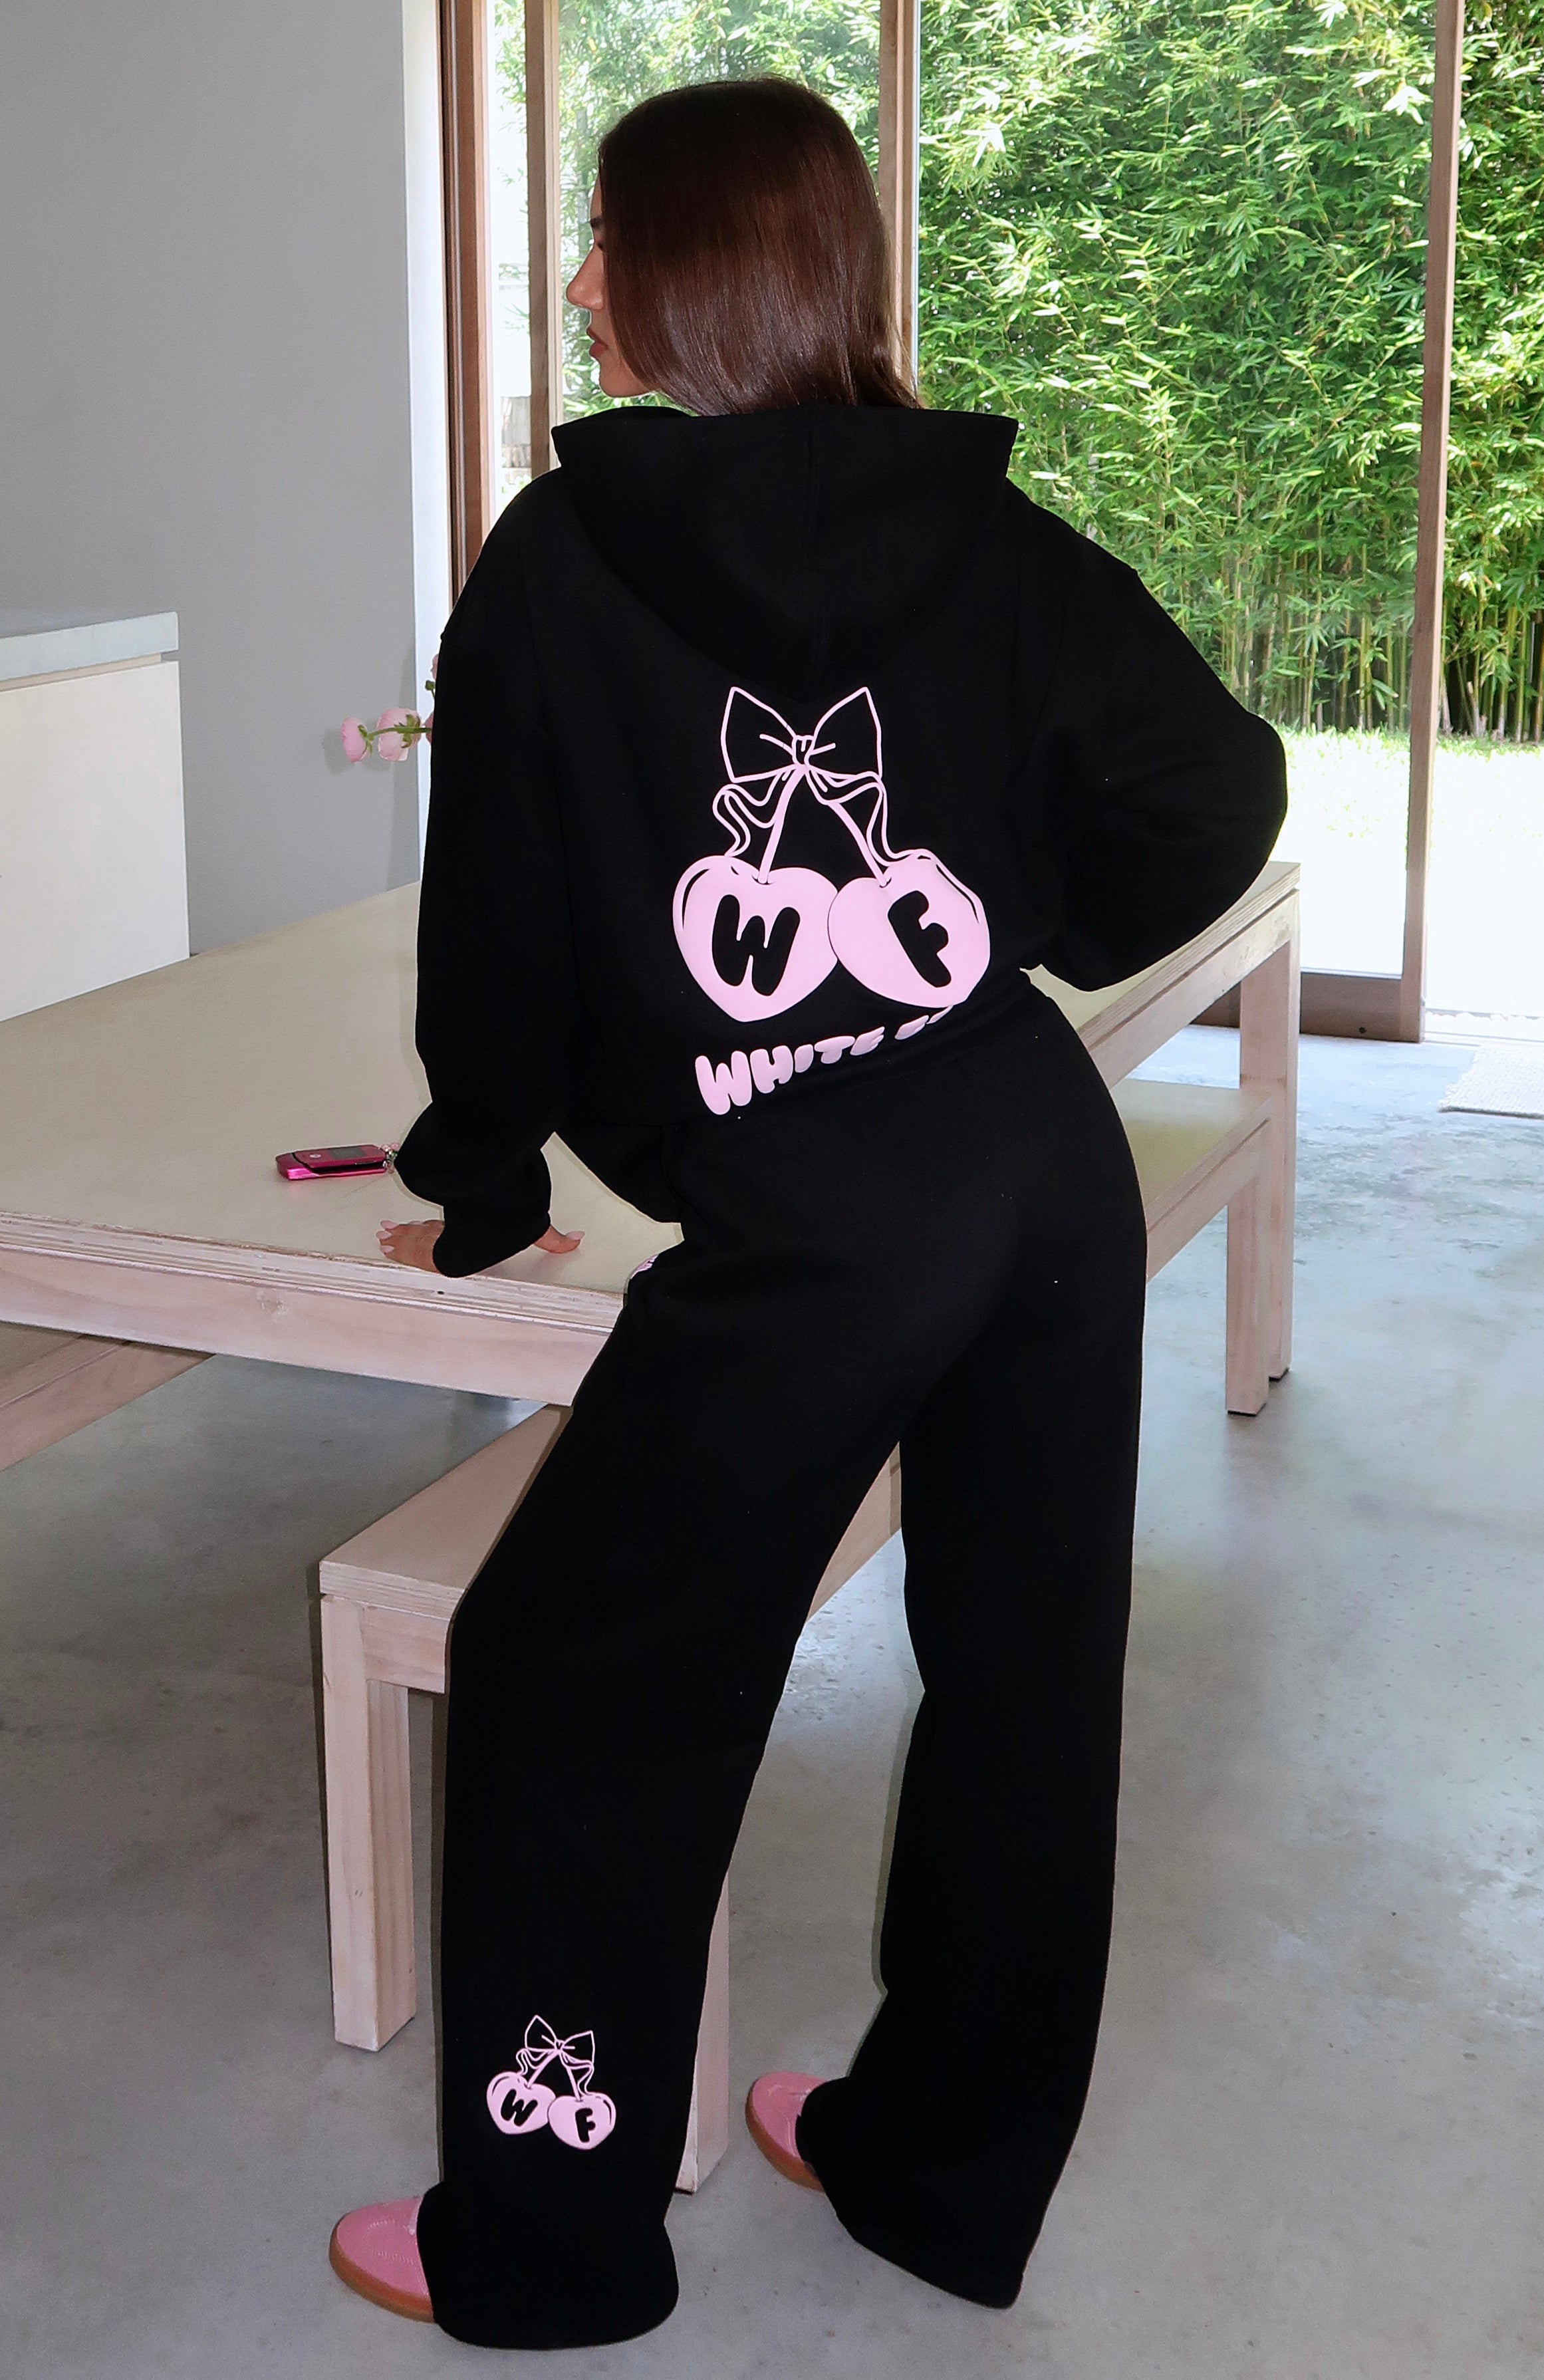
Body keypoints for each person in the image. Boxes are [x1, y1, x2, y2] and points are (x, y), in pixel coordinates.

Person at [327, 74, 1285, 2351]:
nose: (579, 280)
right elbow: (1219, 782)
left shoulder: (561, 561)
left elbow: (500, 924)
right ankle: (936, 2169)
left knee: (579, 1669)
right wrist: (1022, 934)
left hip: (822, 1215)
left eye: (605, 239)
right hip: (1036, 1165)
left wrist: (485, 1175)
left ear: (688, 277)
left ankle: (548, 2246)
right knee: (1023, 1689)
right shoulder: (991, 535)